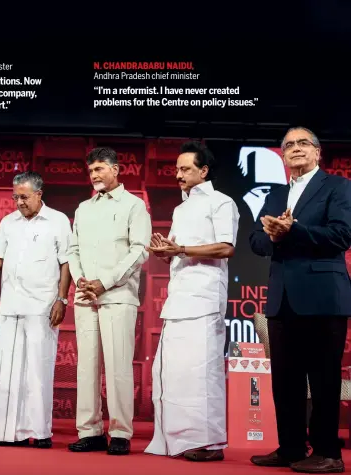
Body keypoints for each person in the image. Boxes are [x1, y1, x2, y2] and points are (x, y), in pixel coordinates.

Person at [249, 127, 351, 473]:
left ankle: (328, 454)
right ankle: (291, 447)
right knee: (286, 379)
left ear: (318, 152)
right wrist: (273, 236)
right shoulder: (276, 195)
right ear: (282, 155)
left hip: (324, 297)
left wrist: (294, 230)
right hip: (282, 299)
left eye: (302, 143)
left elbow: (341, 235)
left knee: (323, 379)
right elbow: (255, 242)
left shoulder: (337, 187)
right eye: (288, 145)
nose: (295, 148)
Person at [144, 140, 239, 462]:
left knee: (203, 373)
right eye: (176, 170)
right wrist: (164, 252)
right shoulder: (180, 209)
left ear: (204, 170)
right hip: (179, 296)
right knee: (174, 371)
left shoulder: (222, 202)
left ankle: (210, 443)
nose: (178, 175)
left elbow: (226, 247)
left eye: (185, 169)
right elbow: (176, 253)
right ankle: (178, 439)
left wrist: (180, 250)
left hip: (205, 298)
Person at [0, 171, 72, 448]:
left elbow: (67, 263)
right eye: (15, 197)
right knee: (6, 371)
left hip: (43, 307)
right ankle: (7, 433)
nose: (19, 202)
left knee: (38, 371)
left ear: (39, 194)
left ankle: (40, 433)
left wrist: (62, 300)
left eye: (24, 197)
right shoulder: (8, 222)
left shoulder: (58, 221)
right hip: (10, 307)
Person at [66, 147, 151, 456]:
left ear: (116, 170)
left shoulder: (134, 206)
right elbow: (72, 250)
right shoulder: (83, 208)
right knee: (86, 367)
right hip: (86, 295)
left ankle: (120, 432)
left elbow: (140, 250)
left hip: (117, 295)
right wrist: (81, 282)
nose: (95, 175)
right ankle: (89, 431)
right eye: (91, 171)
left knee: (117, 366)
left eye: (100, 168)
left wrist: (106, 282)